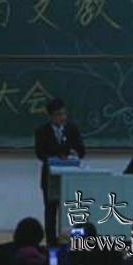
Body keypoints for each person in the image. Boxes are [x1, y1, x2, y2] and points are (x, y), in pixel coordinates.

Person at [34, 98, 86, 245]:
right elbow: (40, 153)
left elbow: (81, 151)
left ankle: (74, 243)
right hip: (51, 177)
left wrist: (75, 153)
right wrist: (57, 157)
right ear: (51, 116)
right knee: (51, 213)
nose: (62, 117)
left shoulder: (72, 129)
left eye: (64, 114)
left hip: (71, 176)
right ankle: (52, 246)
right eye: (58, 114)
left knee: (73, 212)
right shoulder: (42, 131)